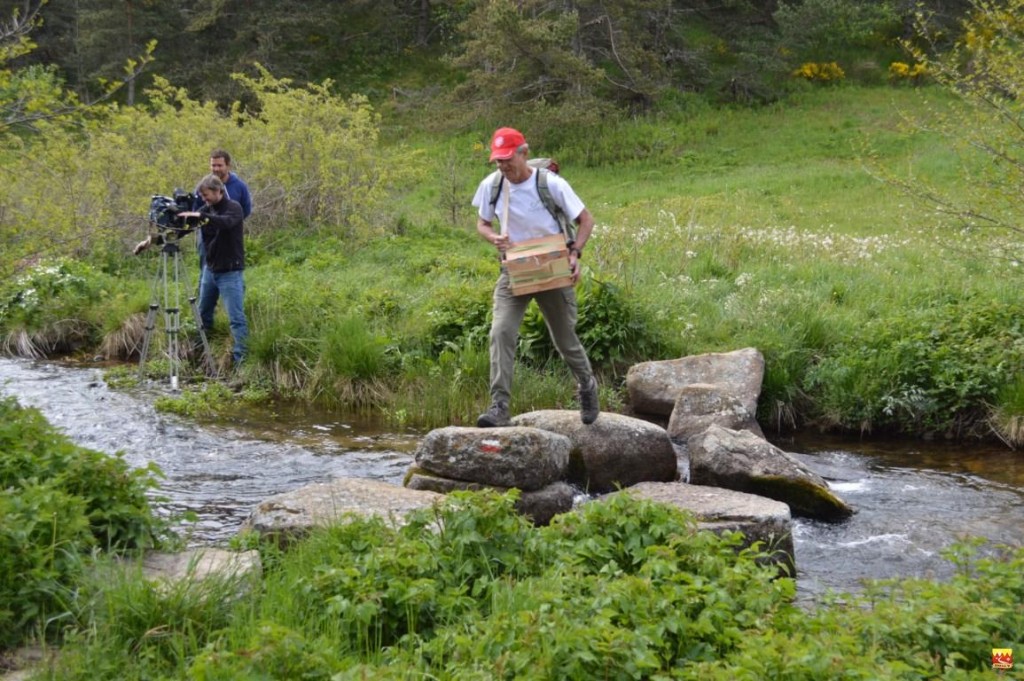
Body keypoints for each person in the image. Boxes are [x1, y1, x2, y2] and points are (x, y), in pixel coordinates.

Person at [471, 127, 599, 427]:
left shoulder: (550, 184)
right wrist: (493, 238)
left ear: (523, 153)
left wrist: (575, 253)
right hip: (513, 270)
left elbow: (586, 220)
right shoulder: (492, 185)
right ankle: (499, 406)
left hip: (553, 267)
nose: (503, 166)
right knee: (501, 331)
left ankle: (587, 385)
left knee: (565, 340)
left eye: (507, 159)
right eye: (498, 160)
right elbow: (482, 224)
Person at [178, 174, 249, 365]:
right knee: (203, 314)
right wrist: (155, 237)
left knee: (236, 318)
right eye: (201, 196)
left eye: (206, 195)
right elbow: (185, 229)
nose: (204, 199)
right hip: (210, 271)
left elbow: (224, 222)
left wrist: (202, 216)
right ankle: (200, 352)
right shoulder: (204, 210)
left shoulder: (234, 207)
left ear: (218, 191)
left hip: (230, 272)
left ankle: (240, 361)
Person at [195, 149, 252, 272]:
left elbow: (245, 209)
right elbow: (197, 209)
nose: (216, 169)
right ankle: (205, 288)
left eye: (219, 165)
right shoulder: (204, 186)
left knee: (230, 268)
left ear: (228, 166)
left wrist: (231, 223)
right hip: (207, 233)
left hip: (229, 234)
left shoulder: (239, 186)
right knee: (205, 267)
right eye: (213, 165)